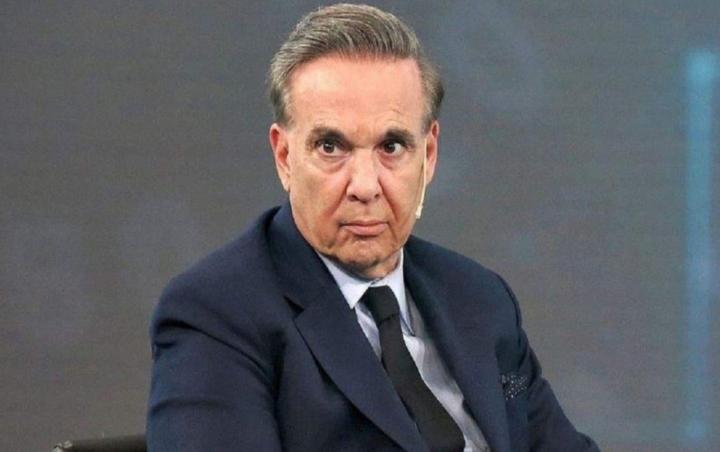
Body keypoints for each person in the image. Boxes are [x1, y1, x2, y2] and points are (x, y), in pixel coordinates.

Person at [146, 4, 599, 451]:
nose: (364, 186)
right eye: (331, 146)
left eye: (392, 146)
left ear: (429, 155)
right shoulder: (217, 314)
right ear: (284, 157)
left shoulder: (479, 298)